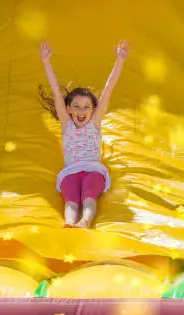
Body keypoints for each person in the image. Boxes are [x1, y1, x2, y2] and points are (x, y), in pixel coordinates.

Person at [39, 39, 130, 228]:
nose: (82, 111)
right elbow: (56, 93)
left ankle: (85, 221)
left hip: (93, 170)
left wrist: (119, 61)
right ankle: (70, 222)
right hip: (70, 172)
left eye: (87, 107)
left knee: (89, 194)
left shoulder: (94, 123)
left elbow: (108, 90)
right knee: (71, 198)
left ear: (93, 109)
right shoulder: (67, 123)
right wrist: (46, 62)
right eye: (77, 107)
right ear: (68, 109)